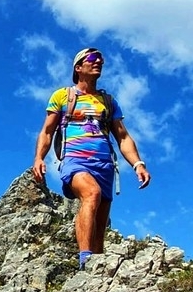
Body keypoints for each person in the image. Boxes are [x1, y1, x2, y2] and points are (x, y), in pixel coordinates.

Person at [32, 47, 150, 269]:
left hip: (105, 165)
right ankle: (85, 258)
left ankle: (95, 265)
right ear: (78, 67)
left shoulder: (108, 101)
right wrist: (39, 158)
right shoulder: (63, 96)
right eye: (93, 59)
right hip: (75, 161)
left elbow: (123, 137)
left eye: (101, 60)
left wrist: (138, 164)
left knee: (100, 222)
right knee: (91, 194)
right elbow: (47, 131)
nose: (99, 62)